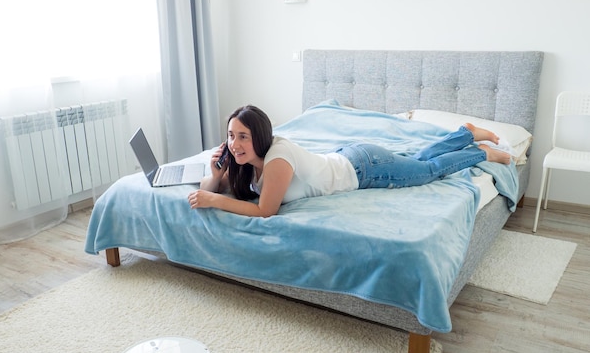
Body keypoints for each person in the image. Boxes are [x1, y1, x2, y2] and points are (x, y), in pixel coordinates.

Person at [187, 105, 511, 218]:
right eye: (231, 135)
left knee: (427, 171)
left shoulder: (278, 158)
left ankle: (480, 152)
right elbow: (210, 187)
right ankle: (463, 134)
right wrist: (216, 175)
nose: (235, 143)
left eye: (242, 136)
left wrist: (214, 199)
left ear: (259, 135)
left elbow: (264, 210)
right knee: (416, 160)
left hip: (365, 168)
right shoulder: (243, 161)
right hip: (351, 156)